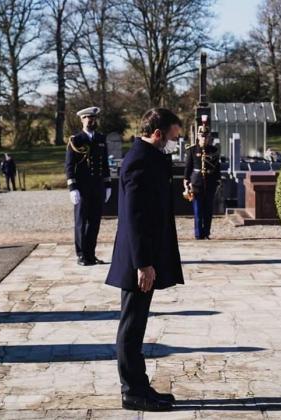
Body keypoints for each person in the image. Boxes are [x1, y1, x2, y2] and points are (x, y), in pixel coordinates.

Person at [105, 108, 184, 412]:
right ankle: (132, 391)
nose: (173, 144)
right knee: (131, 326)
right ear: (157, 134)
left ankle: (140, 385)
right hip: (138, 261)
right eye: (172, 138)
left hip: (144, 258)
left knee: (136, 325)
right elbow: (134, 217)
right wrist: (143, 263)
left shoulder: (148, 157)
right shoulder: (139, 160)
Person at [65, 107, 112, 266]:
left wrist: (107, 185)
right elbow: (69, 166)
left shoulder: (100, 138)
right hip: (82, 187)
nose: (91, 121)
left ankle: (91, 255)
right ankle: (81, 255)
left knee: (94, 222)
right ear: (82, 120)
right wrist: (72, 187)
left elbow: (104, 163)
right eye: (88, 118)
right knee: (81, 221)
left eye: (93, 118)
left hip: (97, 186)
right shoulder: (76, 140)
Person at [183, 125, 221, 240]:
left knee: (208, 210)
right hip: (196, 183)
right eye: (202, 136)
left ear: (209, 137)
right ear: (198, 136)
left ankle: (207, 232)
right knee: (198, 210)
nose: (204, 138)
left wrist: (218, 181)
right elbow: (188, 168)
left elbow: (217, 168)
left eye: (206, 136)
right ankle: (198, 234)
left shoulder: (213, 150)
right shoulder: (192, 150)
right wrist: (186, 181)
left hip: (210, 183)